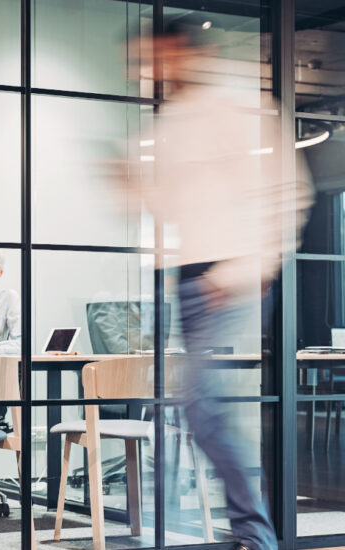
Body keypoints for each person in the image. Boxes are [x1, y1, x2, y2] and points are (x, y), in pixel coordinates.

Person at [122, 22, 313, 550]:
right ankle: (243, 532)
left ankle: (256, 536)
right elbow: (171, 208)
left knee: (202, 407)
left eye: (153, 59)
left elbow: (289, 192)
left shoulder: (234, 108)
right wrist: (130, 184)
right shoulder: (169, 124)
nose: (147, 73)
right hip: (189, 277)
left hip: (232, 276)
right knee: (196, 410)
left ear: (181, 53)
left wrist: (241, 270)